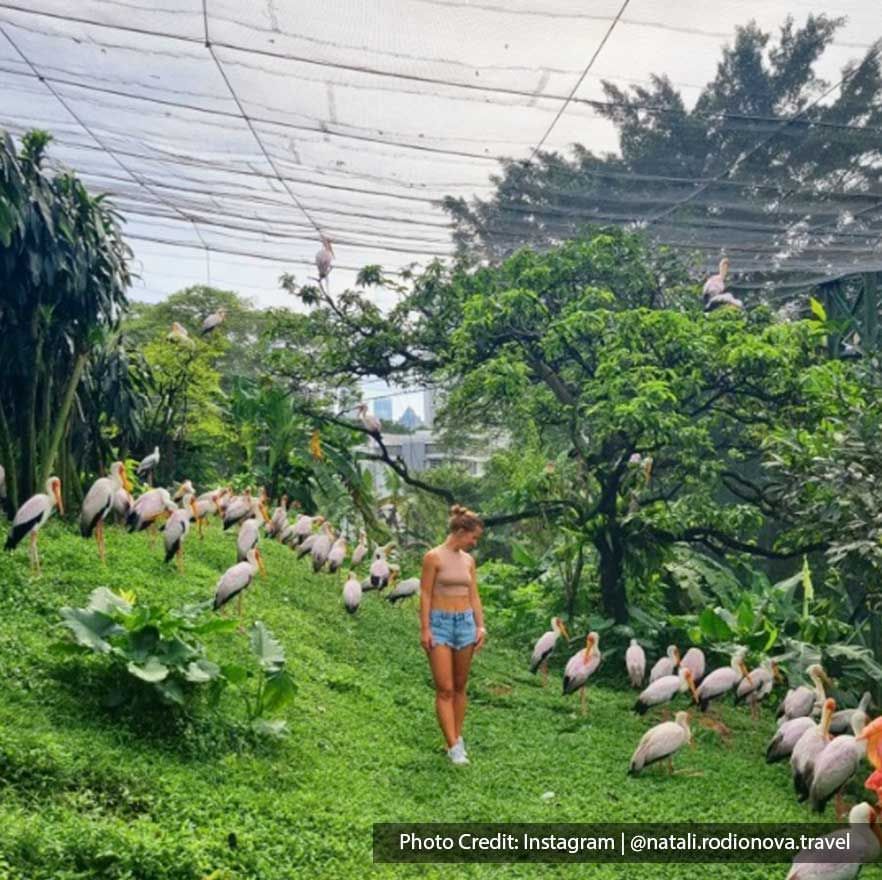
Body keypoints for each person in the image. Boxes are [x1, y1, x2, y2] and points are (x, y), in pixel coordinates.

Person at [420, 504, 486, 766]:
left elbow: (474, 595)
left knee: (460, 686)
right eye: (473, 537)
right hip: (440, 624)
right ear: (460, 530)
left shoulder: (468, 561)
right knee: (445, 688)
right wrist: (425, 628)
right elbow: (425, 593)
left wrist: (481, 626)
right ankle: (453, 746)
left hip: (465, 624)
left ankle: (456, 737)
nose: (474, 542)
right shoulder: (433, 557)